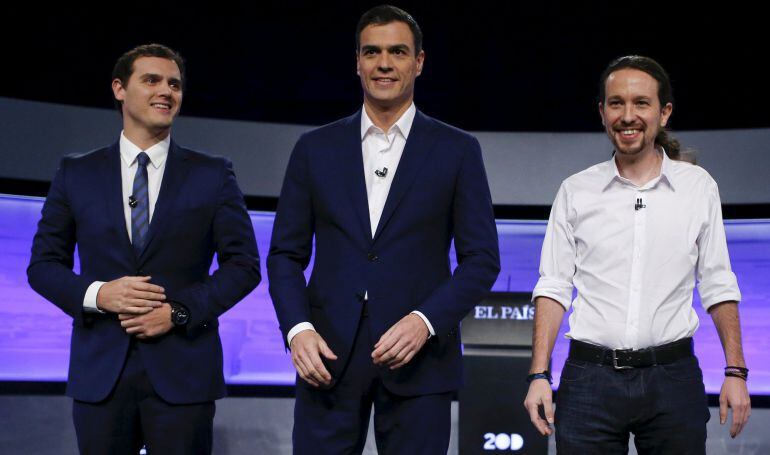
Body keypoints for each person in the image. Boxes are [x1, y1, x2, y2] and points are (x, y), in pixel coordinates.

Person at [267, 5, 500, 453]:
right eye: (372, 52)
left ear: (419, 62)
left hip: (420, 358)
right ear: (357, 62)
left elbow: (482, 259)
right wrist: (297, 330)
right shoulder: (314, 149)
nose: (384, 63)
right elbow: (284, 256)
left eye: (397, 51)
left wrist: (425, 321)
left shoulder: (458, 150)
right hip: (327, 357)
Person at [27, 43, 260, 454]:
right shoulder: (76, 172)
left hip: (184, 373)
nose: (166, 91)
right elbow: (43, 266)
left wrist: (178, 312)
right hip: (102, 372)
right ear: (119, 88)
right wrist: (100, 294)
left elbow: (243, 265)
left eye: (174, 84)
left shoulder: (213, 174)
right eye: (151, 80)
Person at [524, 55, 751, 453]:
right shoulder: (576, 190)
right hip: (588, 380)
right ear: (602, 112)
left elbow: (717, 281)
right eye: (616, 103)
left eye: (641, 103)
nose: (628, 116)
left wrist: (736, 370)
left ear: (664, 112)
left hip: (672, 380)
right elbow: (554, 286)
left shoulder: (698, 187)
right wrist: (539, 374)